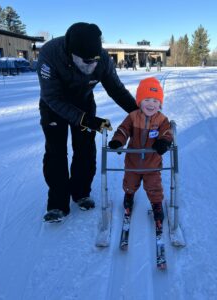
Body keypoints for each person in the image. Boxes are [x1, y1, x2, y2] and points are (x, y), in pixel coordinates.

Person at [37, 22, 138, 222]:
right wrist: (85, 120)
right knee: (56, 152)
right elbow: (52, 98)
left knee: (85, 149)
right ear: (70, 53)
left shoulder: (103, 60)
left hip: (83, 102)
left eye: (95, 61)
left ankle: (81, 192)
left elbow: (116, 89)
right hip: (54, 106)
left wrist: (138, 113)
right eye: (86, 61)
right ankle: (57, 203)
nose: (91, 66)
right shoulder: (50, 55)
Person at [108, 77, 173, 227]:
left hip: (152, 163)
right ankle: (129, 196)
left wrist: (163, 141)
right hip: (133, 161)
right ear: (139, 101)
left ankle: (157, 205)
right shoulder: (132, 117)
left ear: (160, 104)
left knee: (154, 186)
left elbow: (167, 133)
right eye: (147, 99)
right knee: (130, 183)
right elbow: (123, 130)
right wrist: (118, 141)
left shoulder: (162, 120)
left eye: (156, 101)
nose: (151, 104)